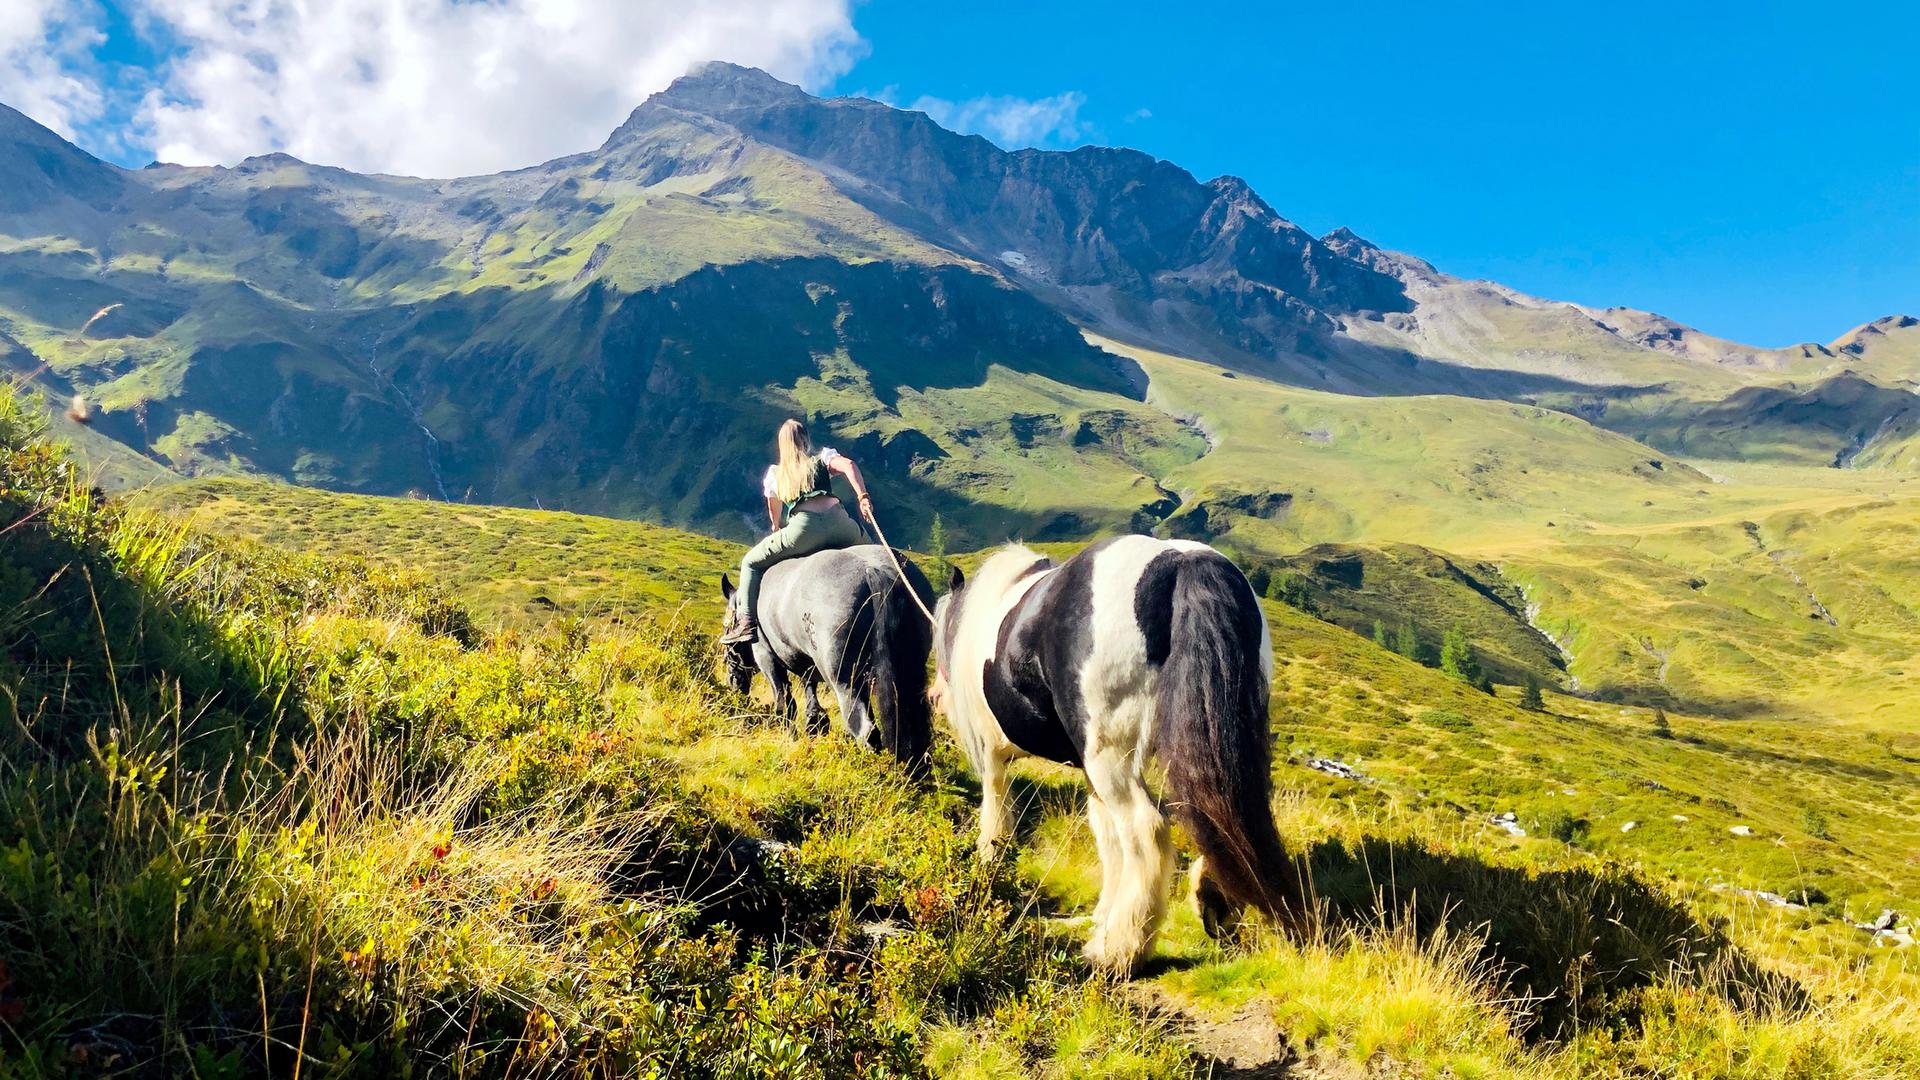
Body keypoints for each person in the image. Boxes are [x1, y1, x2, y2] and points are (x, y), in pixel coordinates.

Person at [721, 418, 875, 643]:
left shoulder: (776, 474)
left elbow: (775, 515)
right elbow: (850, 465)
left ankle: (746, 622)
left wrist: (776, 528)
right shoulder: (822, 459)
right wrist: (862, 497)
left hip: (803, 530)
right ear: (806, 440)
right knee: (874, 556)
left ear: (781, 445)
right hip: (840, 523)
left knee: (750, 563)